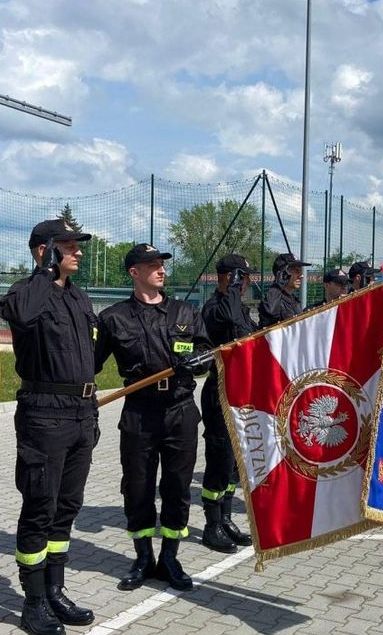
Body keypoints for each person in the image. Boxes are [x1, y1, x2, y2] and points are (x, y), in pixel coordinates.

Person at [0, 219, 100, 635]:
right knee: (40, 507)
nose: (78, 252)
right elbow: (19, 316)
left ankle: (55, 590)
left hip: (81, 413)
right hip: (44, 414)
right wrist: (45, 272)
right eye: (69, 246)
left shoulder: (79, 296)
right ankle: (34, 600)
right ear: (45, 250)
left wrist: (91, 413)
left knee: (67, 506)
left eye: (76, 246)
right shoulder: (26, 291)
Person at [95, 243, 214, 591]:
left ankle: (170, 557)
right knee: (138, 486)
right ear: (134, 273)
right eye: (152, 265)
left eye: (161, 264)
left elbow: (208, 350)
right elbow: (89, 363)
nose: (161, 270)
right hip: (139, 411)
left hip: (180, 409)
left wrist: (198, 360)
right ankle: (143, 557)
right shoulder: (113, 318)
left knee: (177, 486)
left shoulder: (185, 312)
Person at [198, 253, 259, 553]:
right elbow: (231, 320)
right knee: (219, 460)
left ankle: (225, 518)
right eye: (243, 277)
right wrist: (232, 289)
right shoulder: (214, 308)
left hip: (242, 392)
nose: (246, 283)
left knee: (235, 461)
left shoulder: (240, 307)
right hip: (219, 391)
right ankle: (212, 525)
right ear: (229, 277)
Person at [259, 252, 311, 327]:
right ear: (284, 274)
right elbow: (270, 312)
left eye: (300, 271)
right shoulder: (273, 299)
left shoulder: (294, 299)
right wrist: (279, 283)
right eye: (297, 271)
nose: (301, 275)